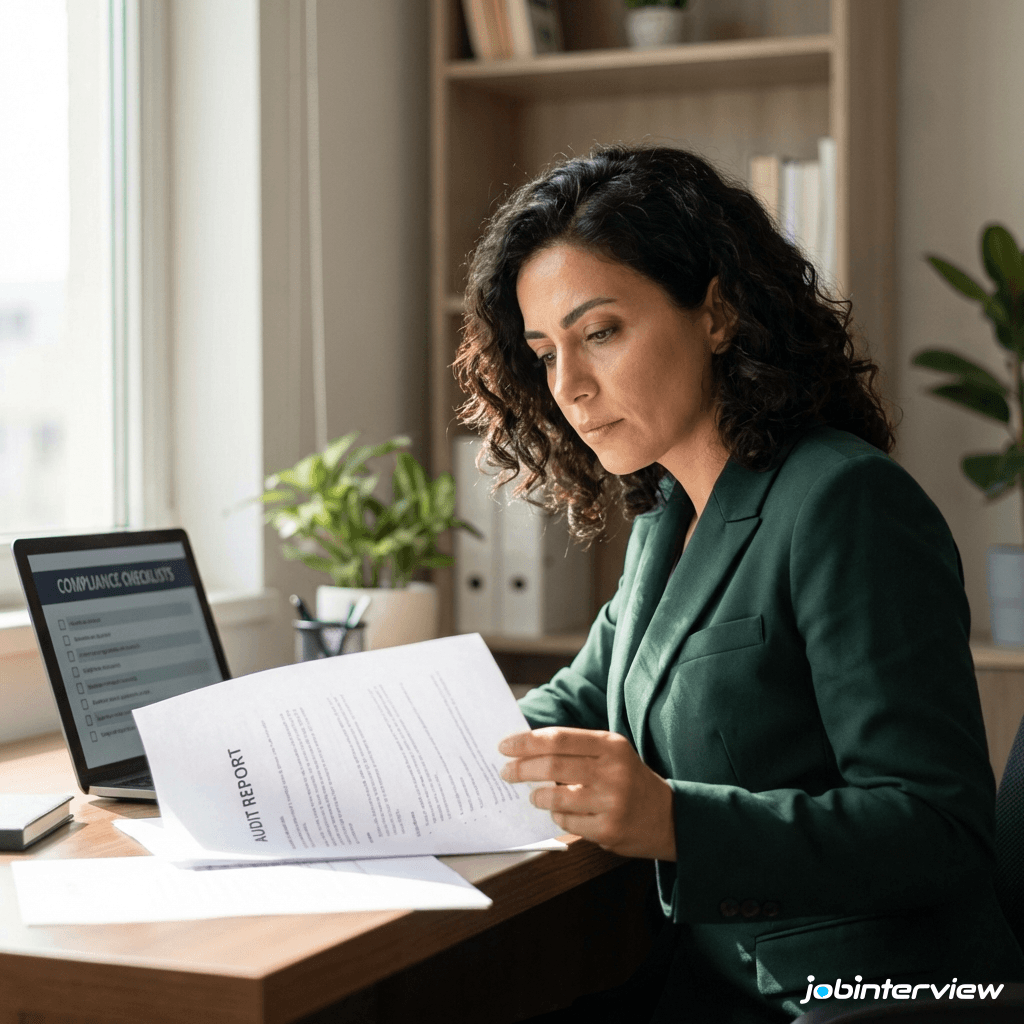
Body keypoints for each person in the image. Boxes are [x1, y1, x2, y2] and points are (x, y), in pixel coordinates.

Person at [452, 145, 1024, 1022]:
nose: (568, 386)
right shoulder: (667, 516)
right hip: (713, 982)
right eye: (544, 352)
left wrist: (674, 820)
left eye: (600, 333)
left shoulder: (844, 501)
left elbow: (936, 827)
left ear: (717, 313)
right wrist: (396, 759)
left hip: (856, 994)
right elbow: (575, 704)